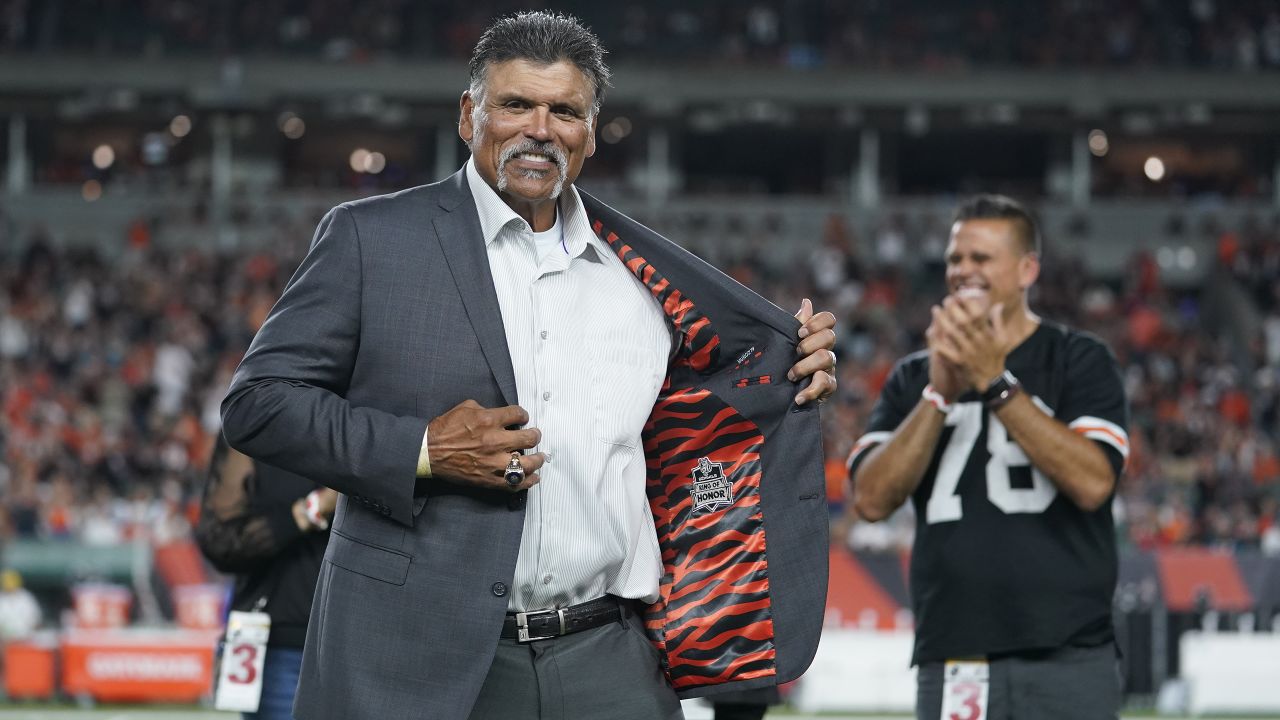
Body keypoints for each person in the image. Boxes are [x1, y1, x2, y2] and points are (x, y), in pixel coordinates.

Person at [221, 11, 837, 720]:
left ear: (591, 132)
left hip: (611, 658)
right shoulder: (372, 239)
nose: (540, 128)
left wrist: (790, 371)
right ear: (469, 115)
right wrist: (423, 450)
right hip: (423, 655)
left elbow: (702, 423)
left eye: (564, 111)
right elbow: (258, 403)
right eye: (515, 104)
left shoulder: (643, 278)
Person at [848, 195, 1129, 720]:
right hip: (956, 653)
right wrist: (939, 395)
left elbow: (1094, 482)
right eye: (956, 259)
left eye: (981, 259)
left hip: (1068, 652)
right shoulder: (914, 377)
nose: (963, 271)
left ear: (1027, 270)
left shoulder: (1078, 359)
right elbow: (869, 499)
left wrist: (994, 383)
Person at [195, 435, 337, 720]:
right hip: (279, 640)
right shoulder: (254, 427)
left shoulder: (365, 417)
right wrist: (312, 510)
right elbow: (218, 541)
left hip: (359, 640)